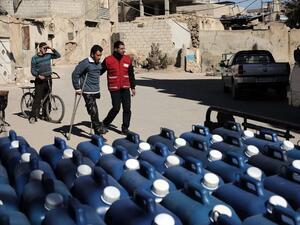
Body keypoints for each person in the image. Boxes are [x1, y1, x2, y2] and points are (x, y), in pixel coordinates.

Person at [101, 41, 136, 135]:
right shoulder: (108, 60)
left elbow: (131, 74)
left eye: (124, 48)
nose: (123, 50)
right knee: (116, 108)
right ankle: (105, 123)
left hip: (125, 87)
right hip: (114, 88)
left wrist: (133, 87)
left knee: (127, 109)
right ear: (115, 49)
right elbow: (100, 71)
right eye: (121, 48)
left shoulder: (127, 59)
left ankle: (125, 129)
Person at [72, 45, 108, 136]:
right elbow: (75, 74)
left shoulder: (98, 63)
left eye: (100, 55)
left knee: (93, 110)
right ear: (92, 54)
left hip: (96, 90)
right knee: (94, 110)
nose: (99, 57)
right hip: (87, 91)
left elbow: (98, 72)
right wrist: (77, 88)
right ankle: (99, 128)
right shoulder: (85, 63)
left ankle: (97, 135)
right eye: (98, 55)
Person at [29, 42, 61, 123]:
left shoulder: (48, 55)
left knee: (48, 97)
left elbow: (58, 55)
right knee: (38, 98)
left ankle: (45, 115)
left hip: (48, 79)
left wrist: (51, 48)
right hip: (39, 80)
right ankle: (32, 116)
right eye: (44, 48)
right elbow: (32, 70)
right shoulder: (34, 58)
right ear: (40, 48)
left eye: (46, 48)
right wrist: (38, 75)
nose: (45, 50)